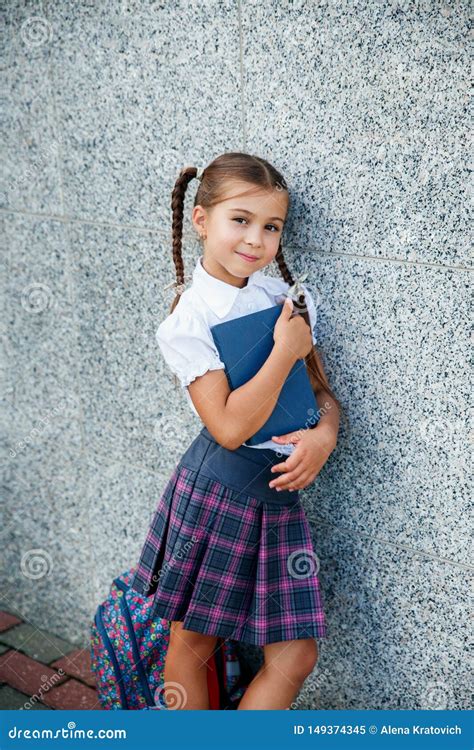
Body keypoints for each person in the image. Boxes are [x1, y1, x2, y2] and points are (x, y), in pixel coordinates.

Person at [131, 152, 343, 710]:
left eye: (271, 227)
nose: (256, 239)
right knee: (193, 639)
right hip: (220, 488)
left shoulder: (283, 299)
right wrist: (282, 350)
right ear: (202, 220)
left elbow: (322, 395)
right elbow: (227, 426)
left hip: (276, 492)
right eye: (240, 220)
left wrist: (323, 436)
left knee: (296, 656)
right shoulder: (189, 318)